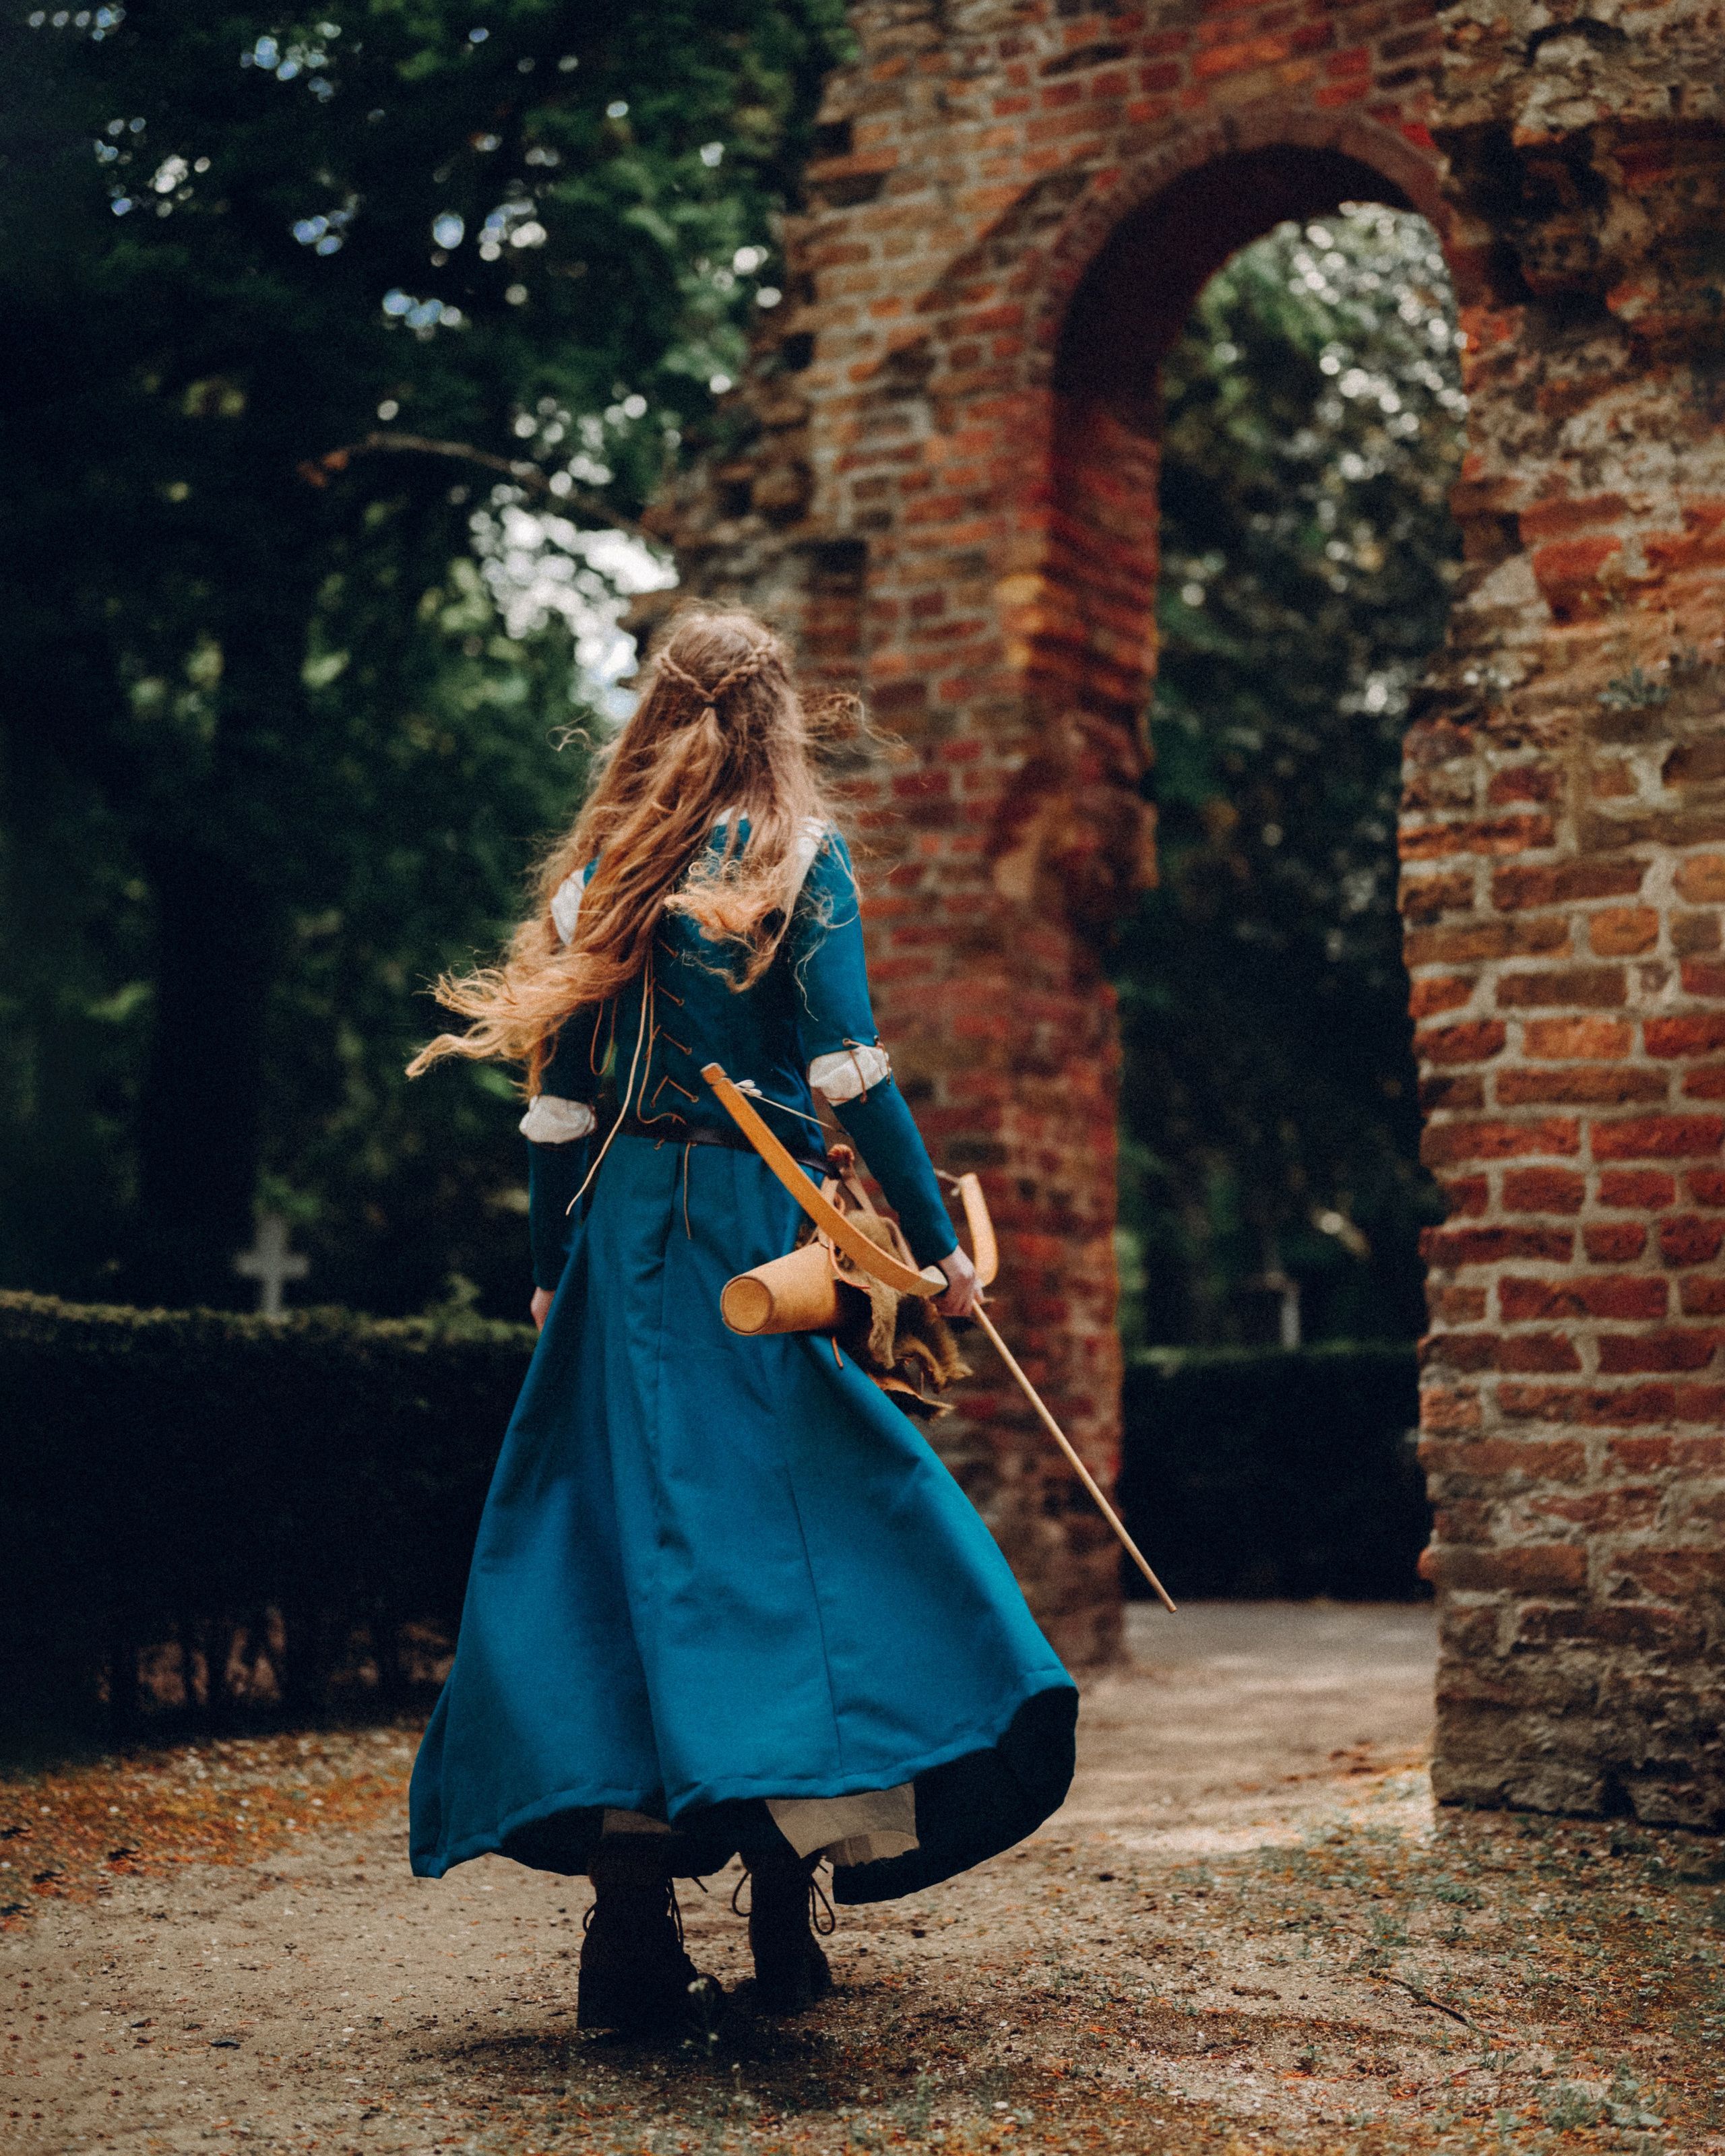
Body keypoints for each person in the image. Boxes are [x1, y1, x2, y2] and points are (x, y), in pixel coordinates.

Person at [405, 607, 1077, 2034]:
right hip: (755, 1250)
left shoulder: (604, 874)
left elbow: (557, 1115)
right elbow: (845, 1071)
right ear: (778, 720)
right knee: (800, 1544)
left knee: (614, 1552)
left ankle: (632, 1923)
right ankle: (783, 1896)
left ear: (656, 715)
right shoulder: (791, 864)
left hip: (620, 1242)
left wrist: (547, 1266)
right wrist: (937, 1249)